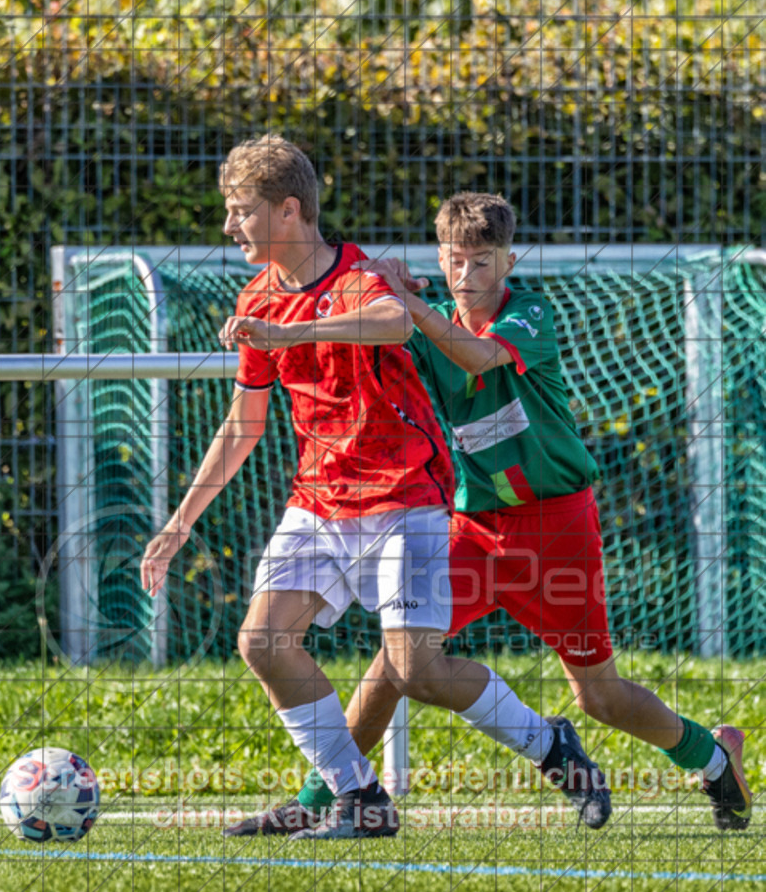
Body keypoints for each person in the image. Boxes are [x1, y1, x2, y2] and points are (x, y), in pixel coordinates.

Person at [233, 191, 752, 836]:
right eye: (455, 261)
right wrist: (364, 299)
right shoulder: (427, 331)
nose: (467, 277)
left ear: (508, 261)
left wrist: (412, 305)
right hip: (474, 530)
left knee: (601, 698)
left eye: (482, 262)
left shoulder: (529, 312)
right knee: (397, 664)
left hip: (557, 527)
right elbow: (383, 357)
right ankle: (327, 798)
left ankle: (711, 755)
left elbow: (477, 357)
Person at [140, 140, 611, 840]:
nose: (230, 228)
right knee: (263, 641)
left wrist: (286, 330)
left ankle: (551, 747)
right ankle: (360, 797)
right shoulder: (256, 297)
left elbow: (392, 320)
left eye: (241, 212)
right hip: (317, 500)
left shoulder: (358, 276)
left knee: (414, 668)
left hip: (403, 498)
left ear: (289, 210)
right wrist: (180, 521)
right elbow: (242, 425)